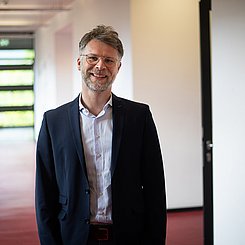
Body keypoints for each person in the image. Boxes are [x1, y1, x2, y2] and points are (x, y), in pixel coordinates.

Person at [35, 25, 167, 245]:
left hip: (128, 236)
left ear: (118, 67)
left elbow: (154, 188)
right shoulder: (53, 122)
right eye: (92, 58)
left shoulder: (139, 117)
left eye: (109, 60)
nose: (100, 66)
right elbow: (44, 194)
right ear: (79, 63)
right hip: (72, 236)